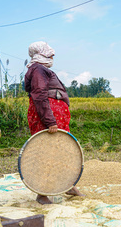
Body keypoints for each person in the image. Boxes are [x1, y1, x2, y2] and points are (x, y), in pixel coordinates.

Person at [24, 41, 84, 204]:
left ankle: (67, 185)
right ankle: (42, 193)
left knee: (61, 150)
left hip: (55, 116)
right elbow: (39, 96)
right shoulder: (38, 69)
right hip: (49, 117)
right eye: (49, 53)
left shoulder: (40, 69)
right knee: (47, 152)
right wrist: (50, 121)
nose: (52, 56)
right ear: (41, 54)